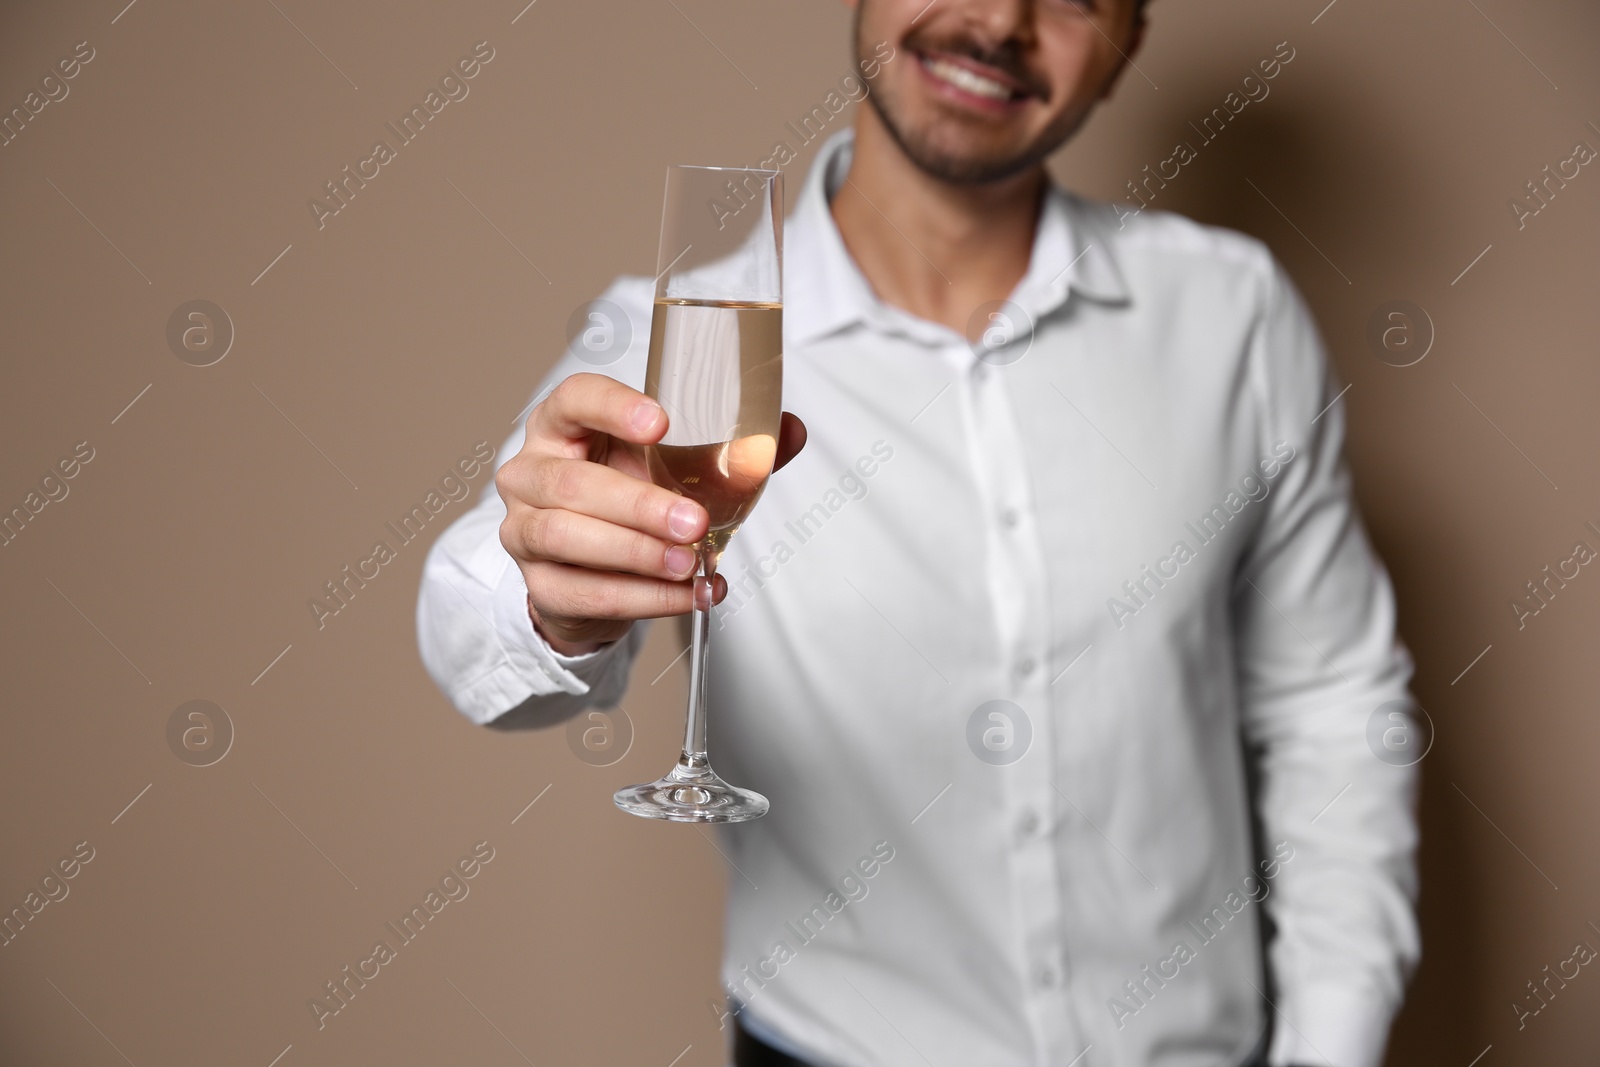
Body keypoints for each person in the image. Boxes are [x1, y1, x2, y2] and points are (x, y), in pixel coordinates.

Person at [416, 0, 1420, 1064]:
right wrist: (552, 604)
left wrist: (1331, 1045)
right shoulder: (684, 330)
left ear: (1127, 48)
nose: (998, 19)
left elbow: (1331, 700)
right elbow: (468, 616)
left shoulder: (1233, 311)